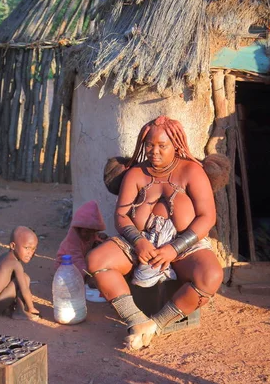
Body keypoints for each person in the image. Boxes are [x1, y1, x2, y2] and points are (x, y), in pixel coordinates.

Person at [86, 116, 223, 350]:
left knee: (210, 276)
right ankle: (137, 320)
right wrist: (139, 242)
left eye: (162, 146)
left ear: (176, 145)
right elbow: (121, 216)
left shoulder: (192, 171)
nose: (154, 151)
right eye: (150, 145)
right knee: (96, 260)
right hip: (140, 242)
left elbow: (207, 217)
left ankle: (156, 325)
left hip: (184, 245)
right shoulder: (136, 174)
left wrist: (173, 248)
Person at [0, 226, 41, 321]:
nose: (30, 253)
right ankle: (19, 311)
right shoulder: (15, 264)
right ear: (13, 246)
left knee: (15, 277)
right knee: (25, 278)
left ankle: (8, 308)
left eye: (33, 249)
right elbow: (24, 289)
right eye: (27, 248)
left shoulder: (3, 257)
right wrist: (31, 308)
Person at [56, 200, 108, 302]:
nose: (89, 235)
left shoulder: (90, 235)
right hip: (66, 267)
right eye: (86, 232)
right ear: (78, 228)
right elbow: (77, 260)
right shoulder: (72, 241)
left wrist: (100, 241)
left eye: (93, 232)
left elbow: (93, 241)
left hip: (82, 265)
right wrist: (89, 276)